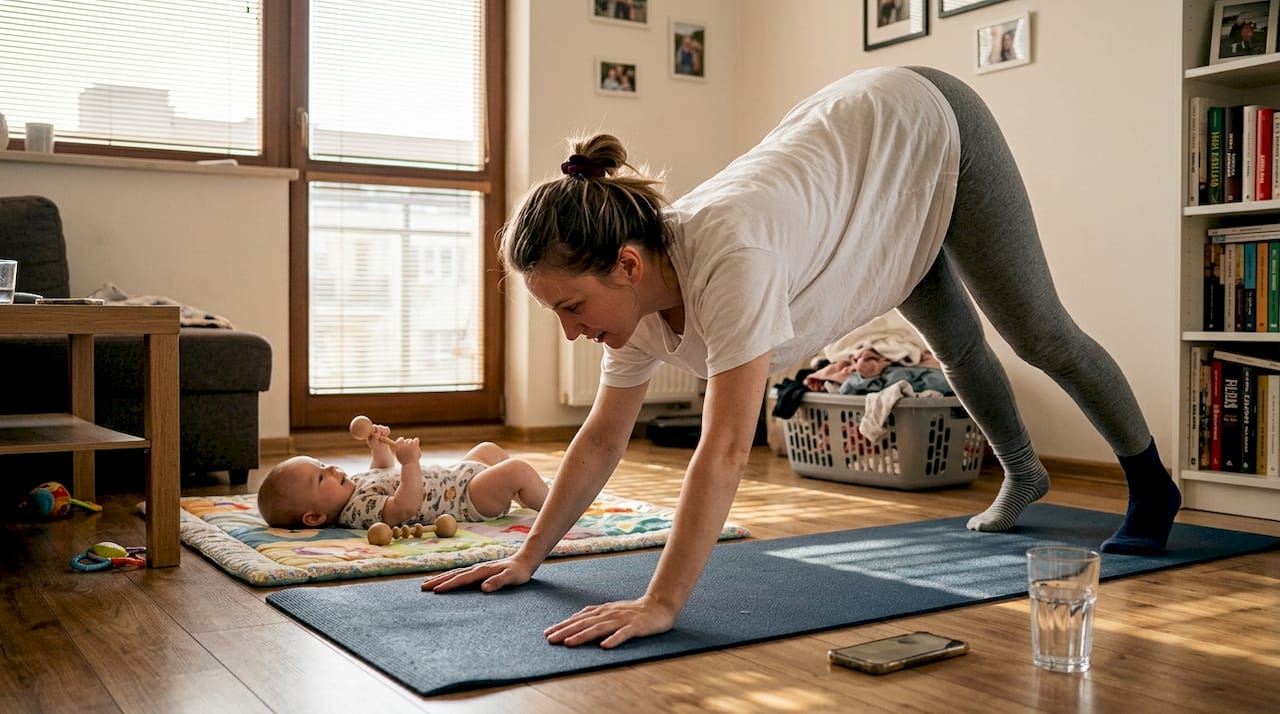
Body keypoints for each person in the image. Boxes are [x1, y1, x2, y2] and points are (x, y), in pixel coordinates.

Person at [421, 66, 1181, 649]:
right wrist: (529, 559)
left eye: (570, 309)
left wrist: (661, 604)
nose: (570, 333)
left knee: (1038, 333)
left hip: (925, 125)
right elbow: (602, 439)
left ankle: (1152, 489)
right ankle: (1025, 473)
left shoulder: (729, 256)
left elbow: (722, 452)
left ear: (625, 264)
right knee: (953, 343)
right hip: (863, 191)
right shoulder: (638, 304)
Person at [257, 423, 548, 530]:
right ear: (315, 517)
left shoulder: (352, 486)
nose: (332, 469)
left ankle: (526, 493)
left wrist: (378, 447)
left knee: (488, 449)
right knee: (517, 470)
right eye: (321, 478)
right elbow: (404, 506)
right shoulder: (357, 512)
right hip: (464, 499)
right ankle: (555, 502)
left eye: (323, 464)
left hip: (457, 477)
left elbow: (381, 473)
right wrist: (409, 463)